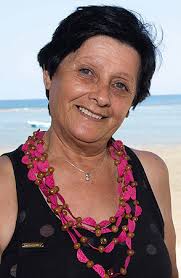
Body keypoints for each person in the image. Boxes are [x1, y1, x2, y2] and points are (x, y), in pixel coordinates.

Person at [0, 5, 178, 278]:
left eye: (120, 85)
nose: (102, 96)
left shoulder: (151, 173)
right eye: (86, 72)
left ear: (132, 102)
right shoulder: (6, 183)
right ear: (49, 73)